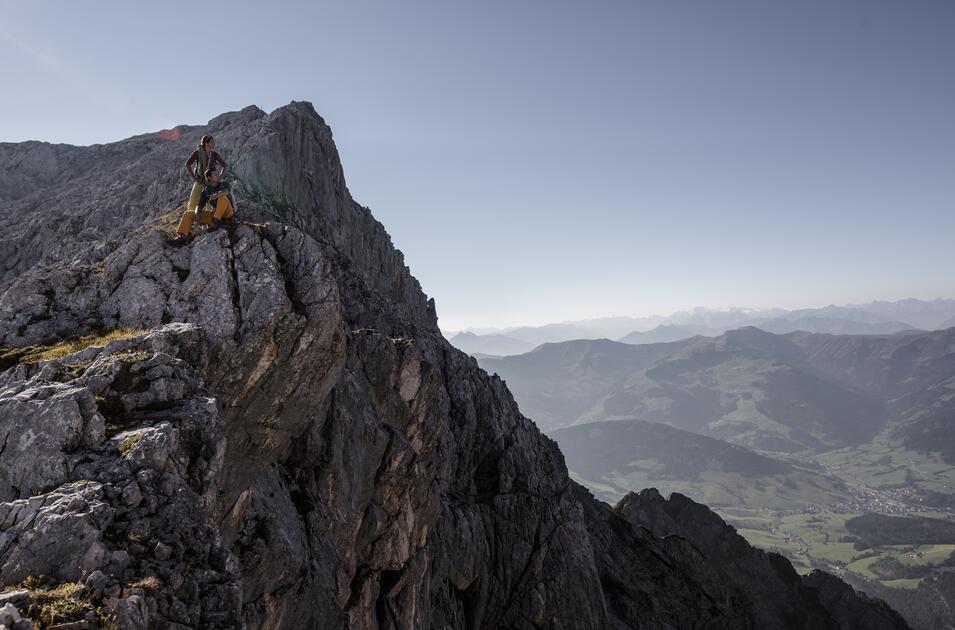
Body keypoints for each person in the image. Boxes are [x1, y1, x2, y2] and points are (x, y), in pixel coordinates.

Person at [175, 169, 234, 236]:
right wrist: (197, 214)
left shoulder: (223, 184)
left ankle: (215, 222)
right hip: (213, 215)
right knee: (188, 214)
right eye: (215, 175)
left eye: (217, 174)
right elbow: (200, 205)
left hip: (227, 214)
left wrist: (217, 195)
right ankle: (182, 236)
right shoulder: (206, 190)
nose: (218, 176)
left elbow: (226, 191)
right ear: (209, 177)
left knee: (222, 197)